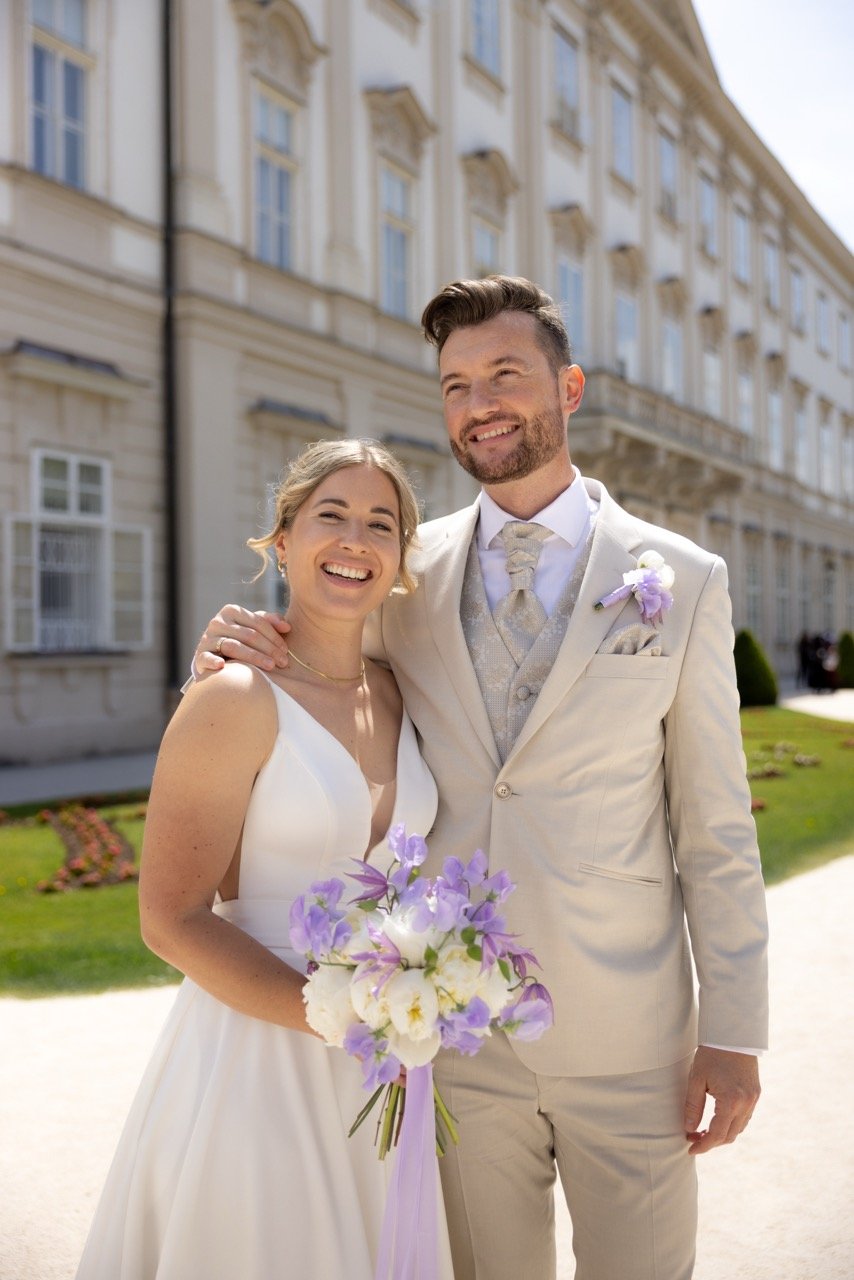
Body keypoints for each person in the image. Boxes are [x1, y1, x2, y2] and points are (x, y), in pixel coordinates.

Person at [195, 276, 769, 1280]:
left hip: (628, 1039)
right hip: (453, 1038)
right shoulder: (402, 571)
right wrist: (232, 646)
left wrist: (733, 1031)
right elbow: (317, 680)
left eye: (504, 374)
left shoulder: (681, 580)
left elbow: (715, 826)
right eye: (455, 385)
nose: (479, 404)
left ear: (569, 388)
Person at [77, 439, 454, 1280]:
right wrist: (340, 1020)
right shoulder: (235, 694)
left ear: (400, 558)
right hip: (253, 1053)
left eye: (380, 524)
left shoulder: (404, 693)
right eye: (331, 515)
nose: (354, 540)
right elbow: (169, 920)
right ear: (282, 542)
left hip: (385, 1064)